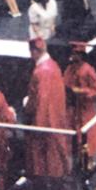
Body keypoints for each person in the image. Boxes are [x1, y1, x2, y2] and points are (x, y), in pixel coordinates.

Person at [25, 37, 70, 178]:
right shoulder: (54, 65)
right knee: (58, 147)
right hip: (57, 113)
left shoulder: (40, 72)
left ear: (34, 51)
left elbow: (41, 100)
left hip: (45, 119)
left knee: (46, 156)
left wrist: (39, 126)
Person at [63, 41, 96, 132]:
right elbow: (64, 82)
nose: (73, 56)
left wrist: (81, 91)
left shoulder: (88, 70)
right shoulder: (69, 69)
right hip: (72, 107)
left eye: (76, 53)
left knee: (86, 130)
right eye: (73, 53)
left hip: (84, 107)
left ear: (81, 55)